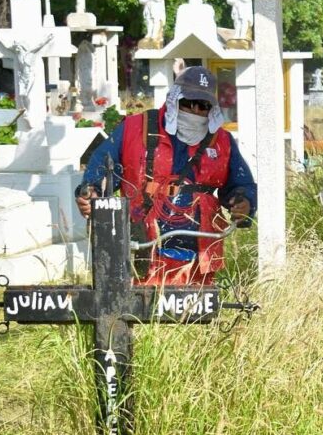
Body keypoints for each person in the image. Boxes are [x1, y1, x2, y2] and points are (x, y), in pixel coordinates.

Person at [76, 65, 256, 286]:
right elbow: (101, 167)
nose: (195, 111)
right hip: (141, 248)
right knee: (138, 302)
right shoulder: (134, 128)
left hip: (200, 255)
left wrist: (244, 203)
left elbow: (241, 184)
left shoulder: (223, 142)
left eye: (203, 105)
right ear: (174, 99)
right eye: (188, 103)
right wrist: (92, 193)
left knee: (194, 306)